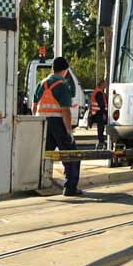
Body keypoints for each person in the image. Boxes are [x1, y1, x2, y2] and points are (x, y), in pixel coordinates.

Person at [33, 57, 82, 196]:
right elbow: (65, 110)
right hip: (58, 123)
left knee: (44, 155)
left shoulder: (41, 83)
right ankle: (70, 187)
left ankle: (39, 183)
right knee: (71, 154)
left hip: (42, 123)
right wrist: (68, 131)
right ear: (65, 71)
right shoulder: (62, 84)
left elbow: (34, 106)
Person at [89, 79, 108, 149]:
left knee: (100, 128)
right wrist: (104, 114)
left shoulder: (97, 91)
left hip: (97, 113)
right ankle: (101, 141)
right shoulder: (99, 92)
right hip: (99, 113)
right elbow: (101, 105)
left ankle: (101, 140)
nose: (105, 85)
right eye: (105, 84)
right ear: (102, 84)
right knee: (101, 128)